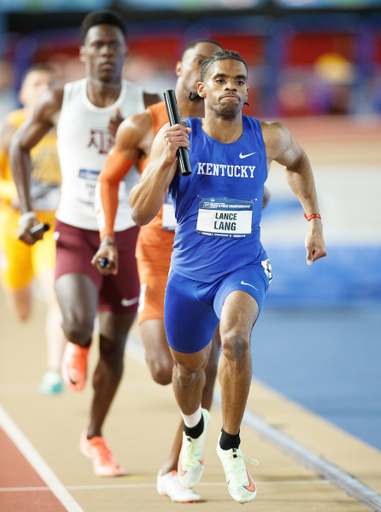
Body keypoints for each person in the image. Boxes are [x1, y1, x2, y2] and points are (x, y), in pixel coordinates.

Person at [129, 50, 327, 504]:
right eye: (220, 79)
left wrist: (313, 219)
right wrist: (164, 160)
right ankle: (195, 431)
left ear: (247, 90)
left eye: (239, 80)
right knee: (187, 373)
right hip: (187, 278)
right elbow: (139, 213)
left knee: (236, 339)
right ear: (201, 88)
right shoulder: (178, 136)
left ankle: (230, 446)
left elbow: (299, 162)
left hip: (243, 267)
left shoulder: (269, 137)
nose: (231, 87)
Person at [10, 10, 160, 478]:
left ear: (124, 51)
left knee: (114, 348)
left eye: (114, 45)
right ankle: (75, 344)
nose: (106, 53)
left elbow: (171, 164)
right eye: (97, 45)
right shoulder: (60, 99)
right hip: (75, 229)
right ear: (83, 52)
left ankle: (94, 436)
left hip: (129, 233)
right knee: (77, 324)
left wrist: (139, 149)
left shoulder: (148, 103)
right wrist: (27, 210)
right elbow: (18, 146)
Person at [92, 39, 224, 503]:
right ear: (181, 69)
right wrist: (108, 235)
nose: (205, 75)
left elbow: (253, 186)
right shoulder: (144, 124)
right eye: (197, 65)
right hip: (157, 257)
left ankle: (177, 467)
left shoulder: (229, 129)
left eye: (216, 69)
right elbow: (110, 180)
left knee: (205, 367)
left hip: (213, 258)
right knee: (164, 370)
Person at [0, 63, 66, 395]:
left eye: (51, 83)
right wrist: (13, 194)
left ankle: (54, 370)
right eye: (37, 83)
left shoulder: (65, 128)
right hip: (15, 226)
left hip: (51, 226)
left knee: (58, 293)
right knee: (21, 309)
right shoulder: (10, 127)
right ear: (23, 93)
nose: (44, 89)